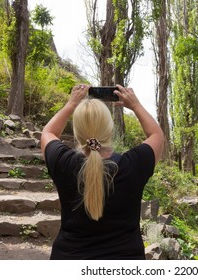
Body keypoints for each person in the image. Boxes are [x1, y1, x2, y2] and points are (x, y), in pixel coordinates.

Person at [41, 84, 164, 259]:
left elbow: (48, 132)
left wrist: (71, 104)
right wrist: (135, 105)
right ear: (110, 130)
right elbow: (157, 135)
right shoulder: (133, 164)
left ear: (77, 132)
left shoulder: (63, 162)